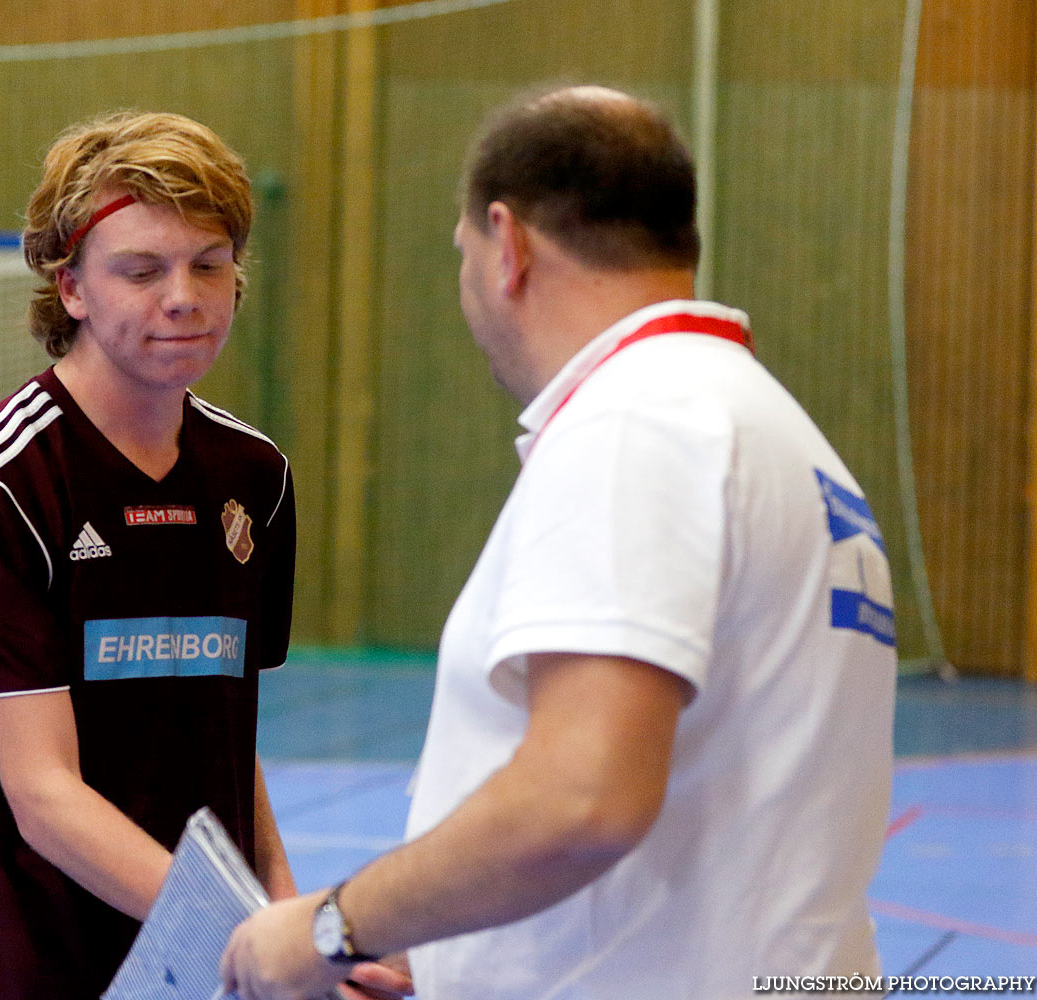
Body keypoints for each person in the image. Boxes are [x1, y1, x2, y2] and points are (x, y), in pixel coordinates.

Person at [220, 84, 898, 999]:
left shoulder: (635, 427)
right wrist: (443, 948)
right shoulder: (770, 431)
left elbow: (581, 800)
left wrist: (334, 927)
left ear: (509, 244)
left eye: (462, 255)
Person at [0, 111, 301, 1000]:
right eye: (142, 270)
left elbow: (234, 741)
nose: (185, 296)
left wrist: (282, 910)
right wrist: (252, 936)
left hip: (192, 965)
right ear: (72, 287)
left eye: (210, 263)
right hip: (20, 960)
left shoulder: (254, 476)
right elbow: (44, 797)